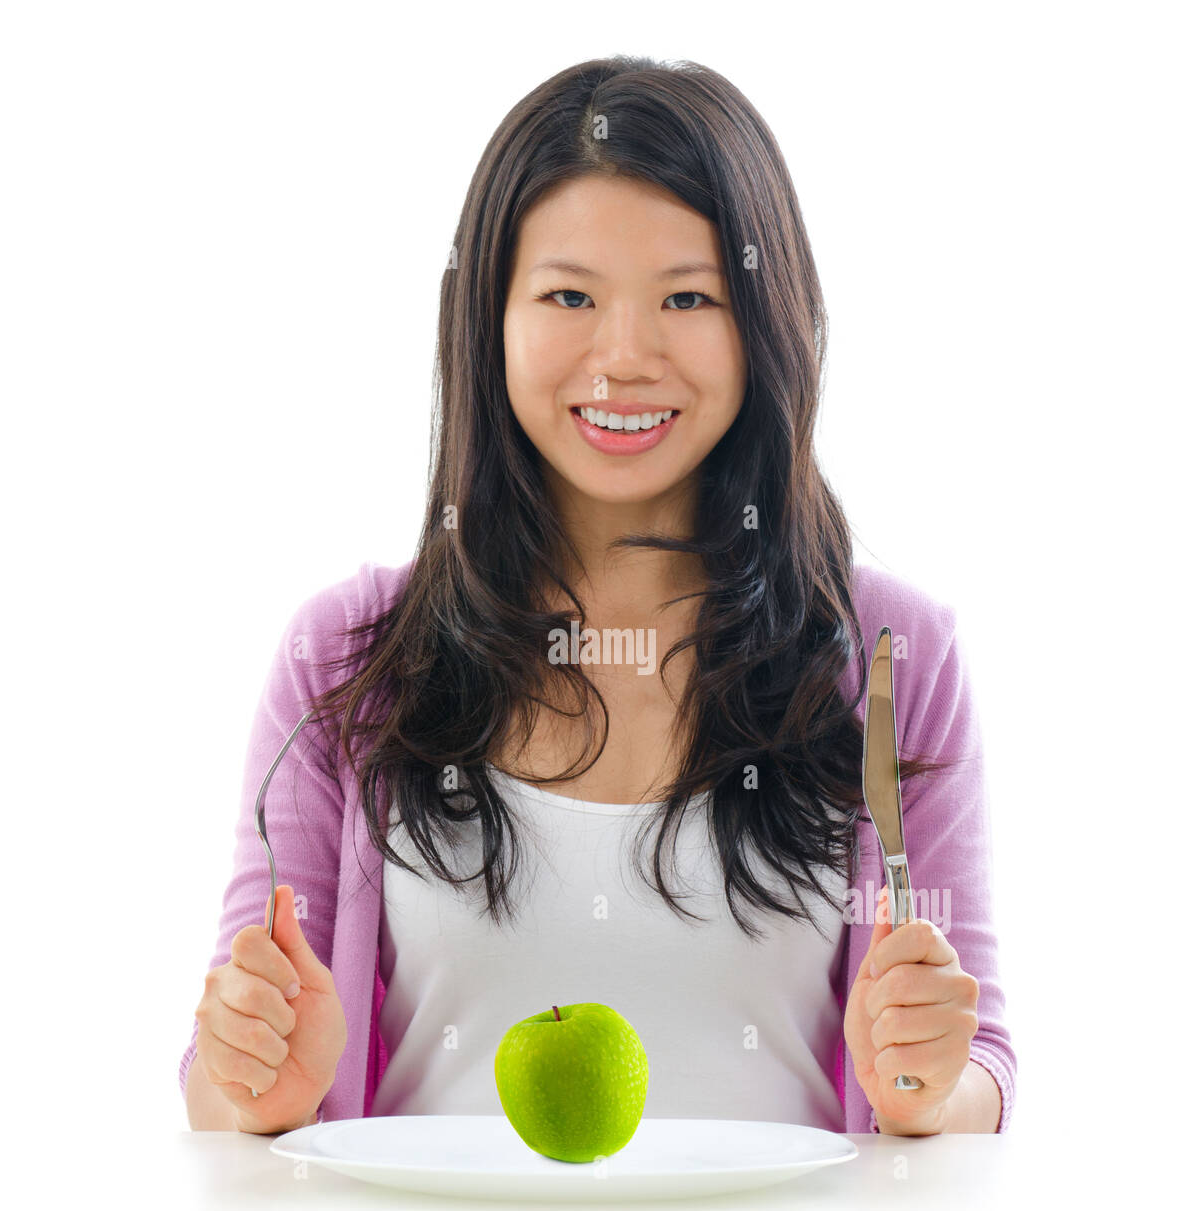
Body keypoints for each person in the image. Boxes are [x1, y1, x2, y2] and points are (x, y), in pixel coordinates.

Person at [181, 56, 1015, 1140]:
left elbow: (977, 1062)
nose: (624, 357)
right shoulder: (346, 656)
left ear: (766, 321)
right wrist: (253, 1080)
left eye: (688, 297)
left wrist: (928, 1079)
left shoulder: (889, 655)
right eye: (570, 296)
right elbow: (223, 1073)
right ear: (490, 319)